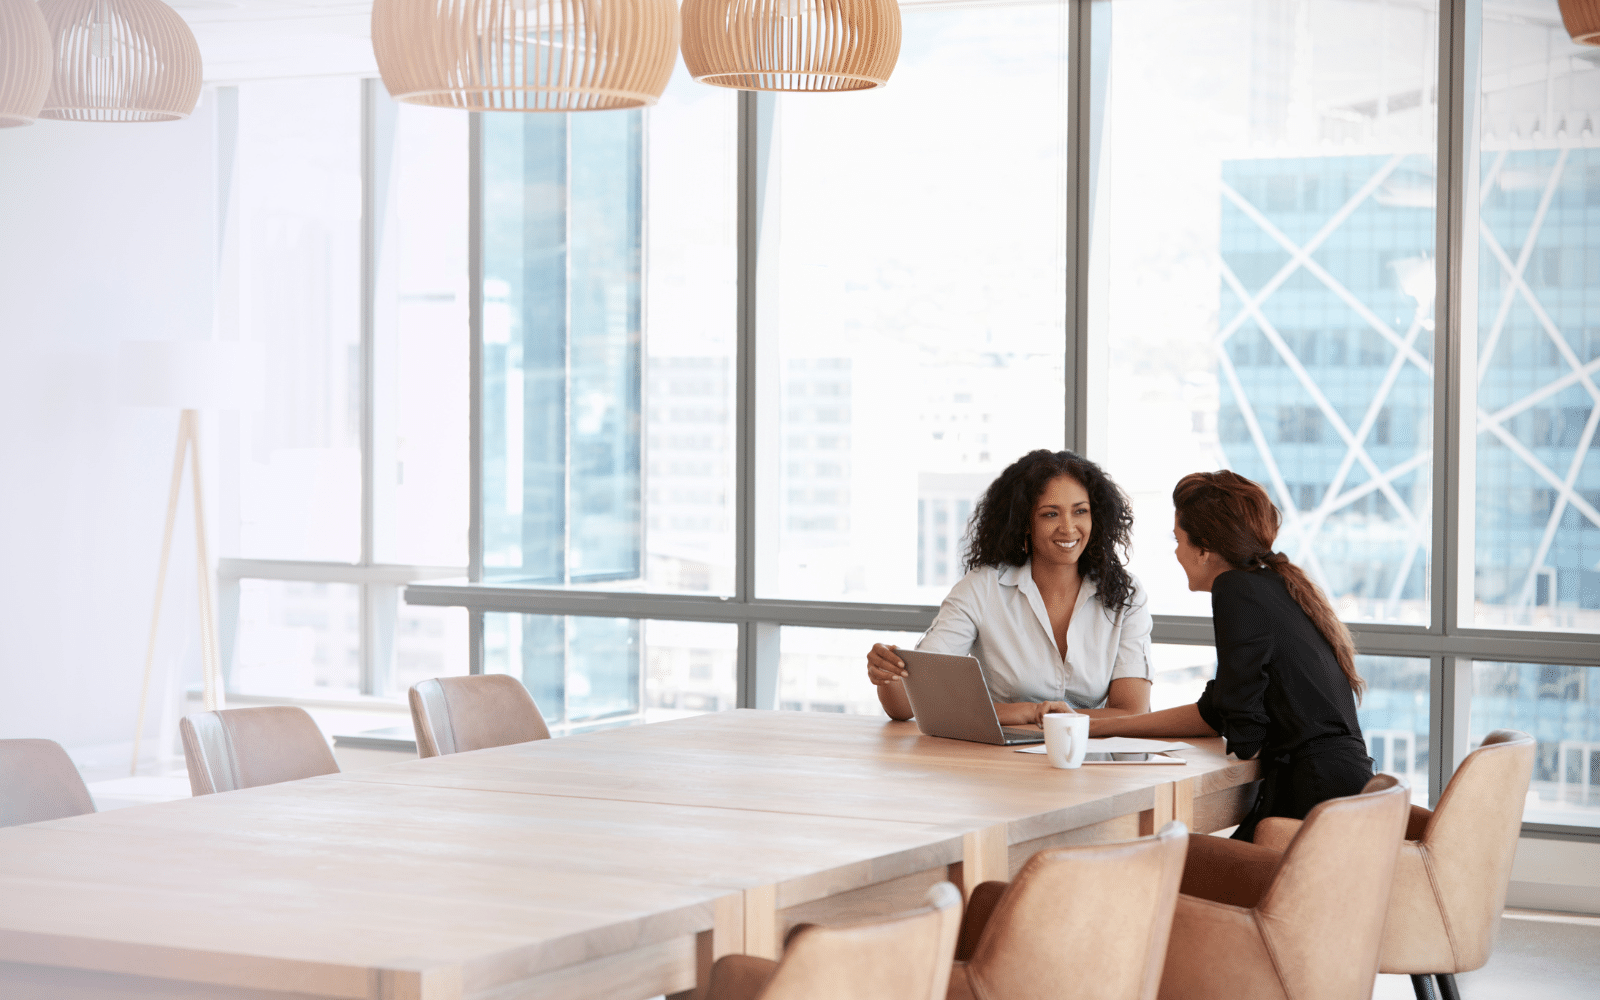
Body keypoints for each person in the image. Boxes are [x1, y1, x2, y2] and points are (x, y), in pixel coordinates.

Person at [1092, 470, 1373, 841]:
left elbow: (1243, 730)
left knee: (1167, 860)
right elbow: (1218, 710)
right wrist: (1099, 725)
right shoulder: (1273, 585)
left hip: (1311, 798)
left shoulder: (1235, 588)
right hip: (1342, 789)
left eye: (1178, 539)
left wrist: (1238, 721)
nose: (1176, 551)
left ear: (1204, 548)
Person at [866, 449, 1153, 727]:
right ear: (1025, 522)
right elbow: (907, 703)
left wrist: (1047, 718)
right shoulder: (982, 589)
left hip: (1091, 761)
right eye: (1050, 514)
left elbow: (1132, 711)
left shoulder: (1125, 595)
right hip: (999, 762)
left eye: (1080, 511)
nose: (1068, 527)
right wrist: (887, 672)